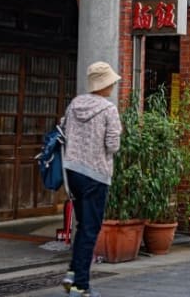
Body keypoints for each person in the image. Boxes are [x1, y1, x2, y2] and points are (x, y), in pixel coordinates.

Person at [62, 62, 122, 297]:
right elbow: (112, 145)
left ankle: (72, 273)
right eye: (112, 82)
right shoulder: (109, 109)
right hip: (96, 174)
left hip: (73, 172)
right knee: (90, 228)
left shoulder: (75, 103)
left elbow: (64, 131)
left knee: (82, 225)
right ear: (106, 84)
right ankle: (81, 286)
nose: (114, 86)